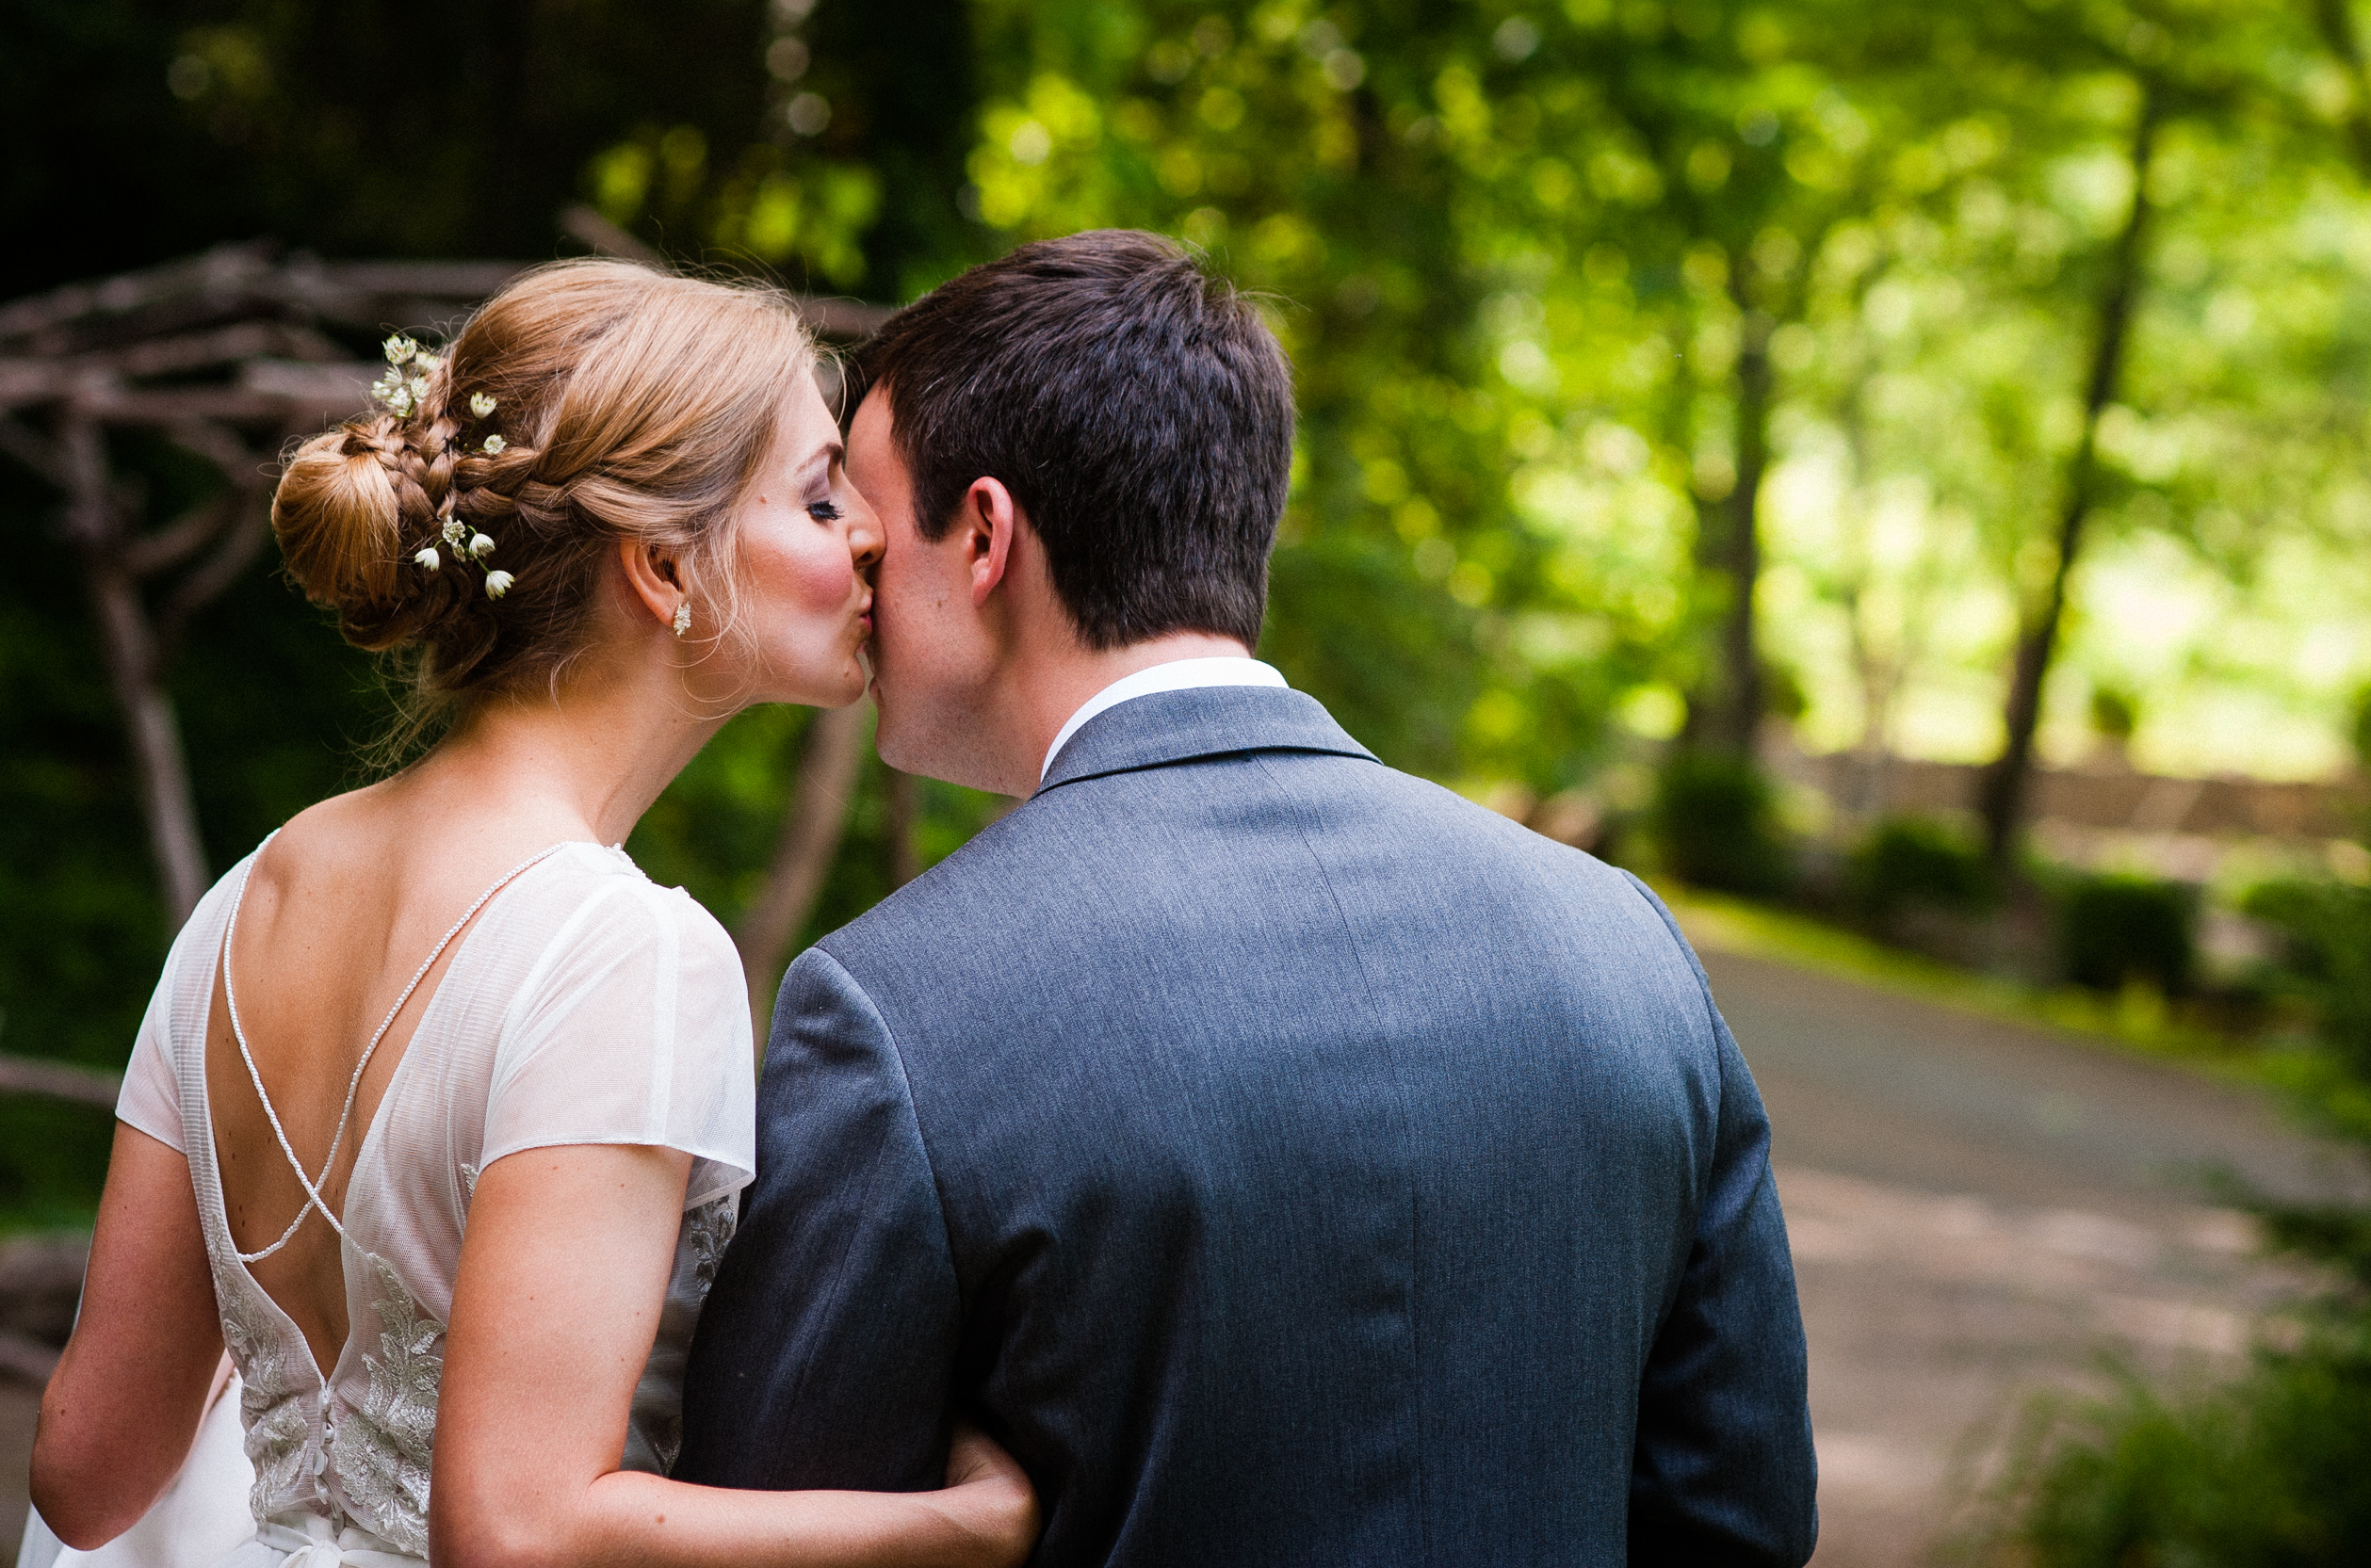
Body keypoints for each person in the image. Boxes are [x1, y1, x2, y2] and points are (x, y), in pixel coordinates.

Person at [675, 231, 1820, 1564]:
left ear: (984, 536)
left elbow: (765, 1529)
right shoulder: (1628, 951)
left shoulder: (899, 1012)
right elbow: (1741, 1524)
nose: (859, 588)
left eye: (873, 535)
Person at [26, 262, 1039, 1568]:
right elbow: (515, 1535)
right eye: (820, 492)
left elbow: (85, 1473)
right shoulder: (621, 955)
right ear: (668, 565)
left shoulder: (246, 903)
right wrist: (958, 1532)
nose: (868, 537)